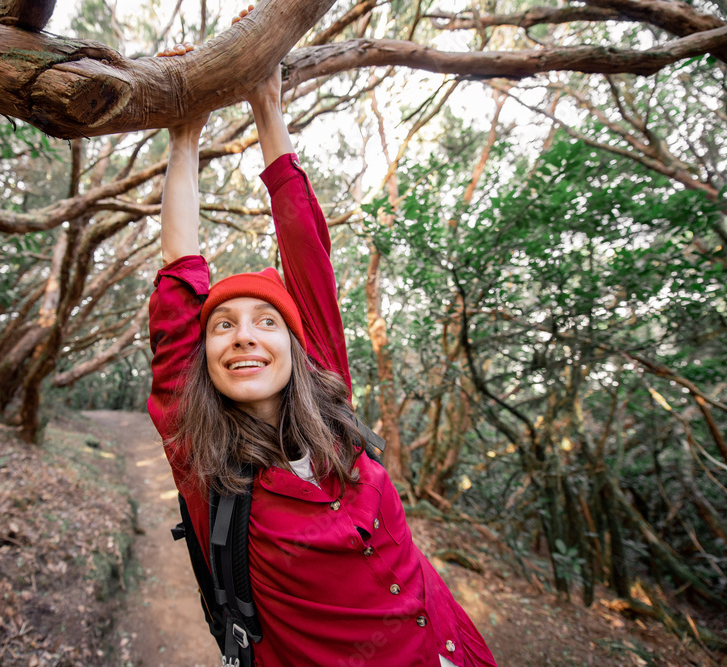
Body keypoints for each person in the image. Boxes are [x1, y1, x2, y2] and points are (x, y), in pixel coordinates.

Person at [148, 13, 497, 666]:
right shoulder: (206, 456)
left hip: (450, 646)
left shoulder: (329, 402)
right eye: (222, 324)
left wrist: (268, 103)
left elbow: (308, 253)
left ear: (296, 346)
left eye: (265, 321)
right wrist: (184, 134)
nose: (243, 337)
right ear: (206, 357)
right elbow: (177, 282)